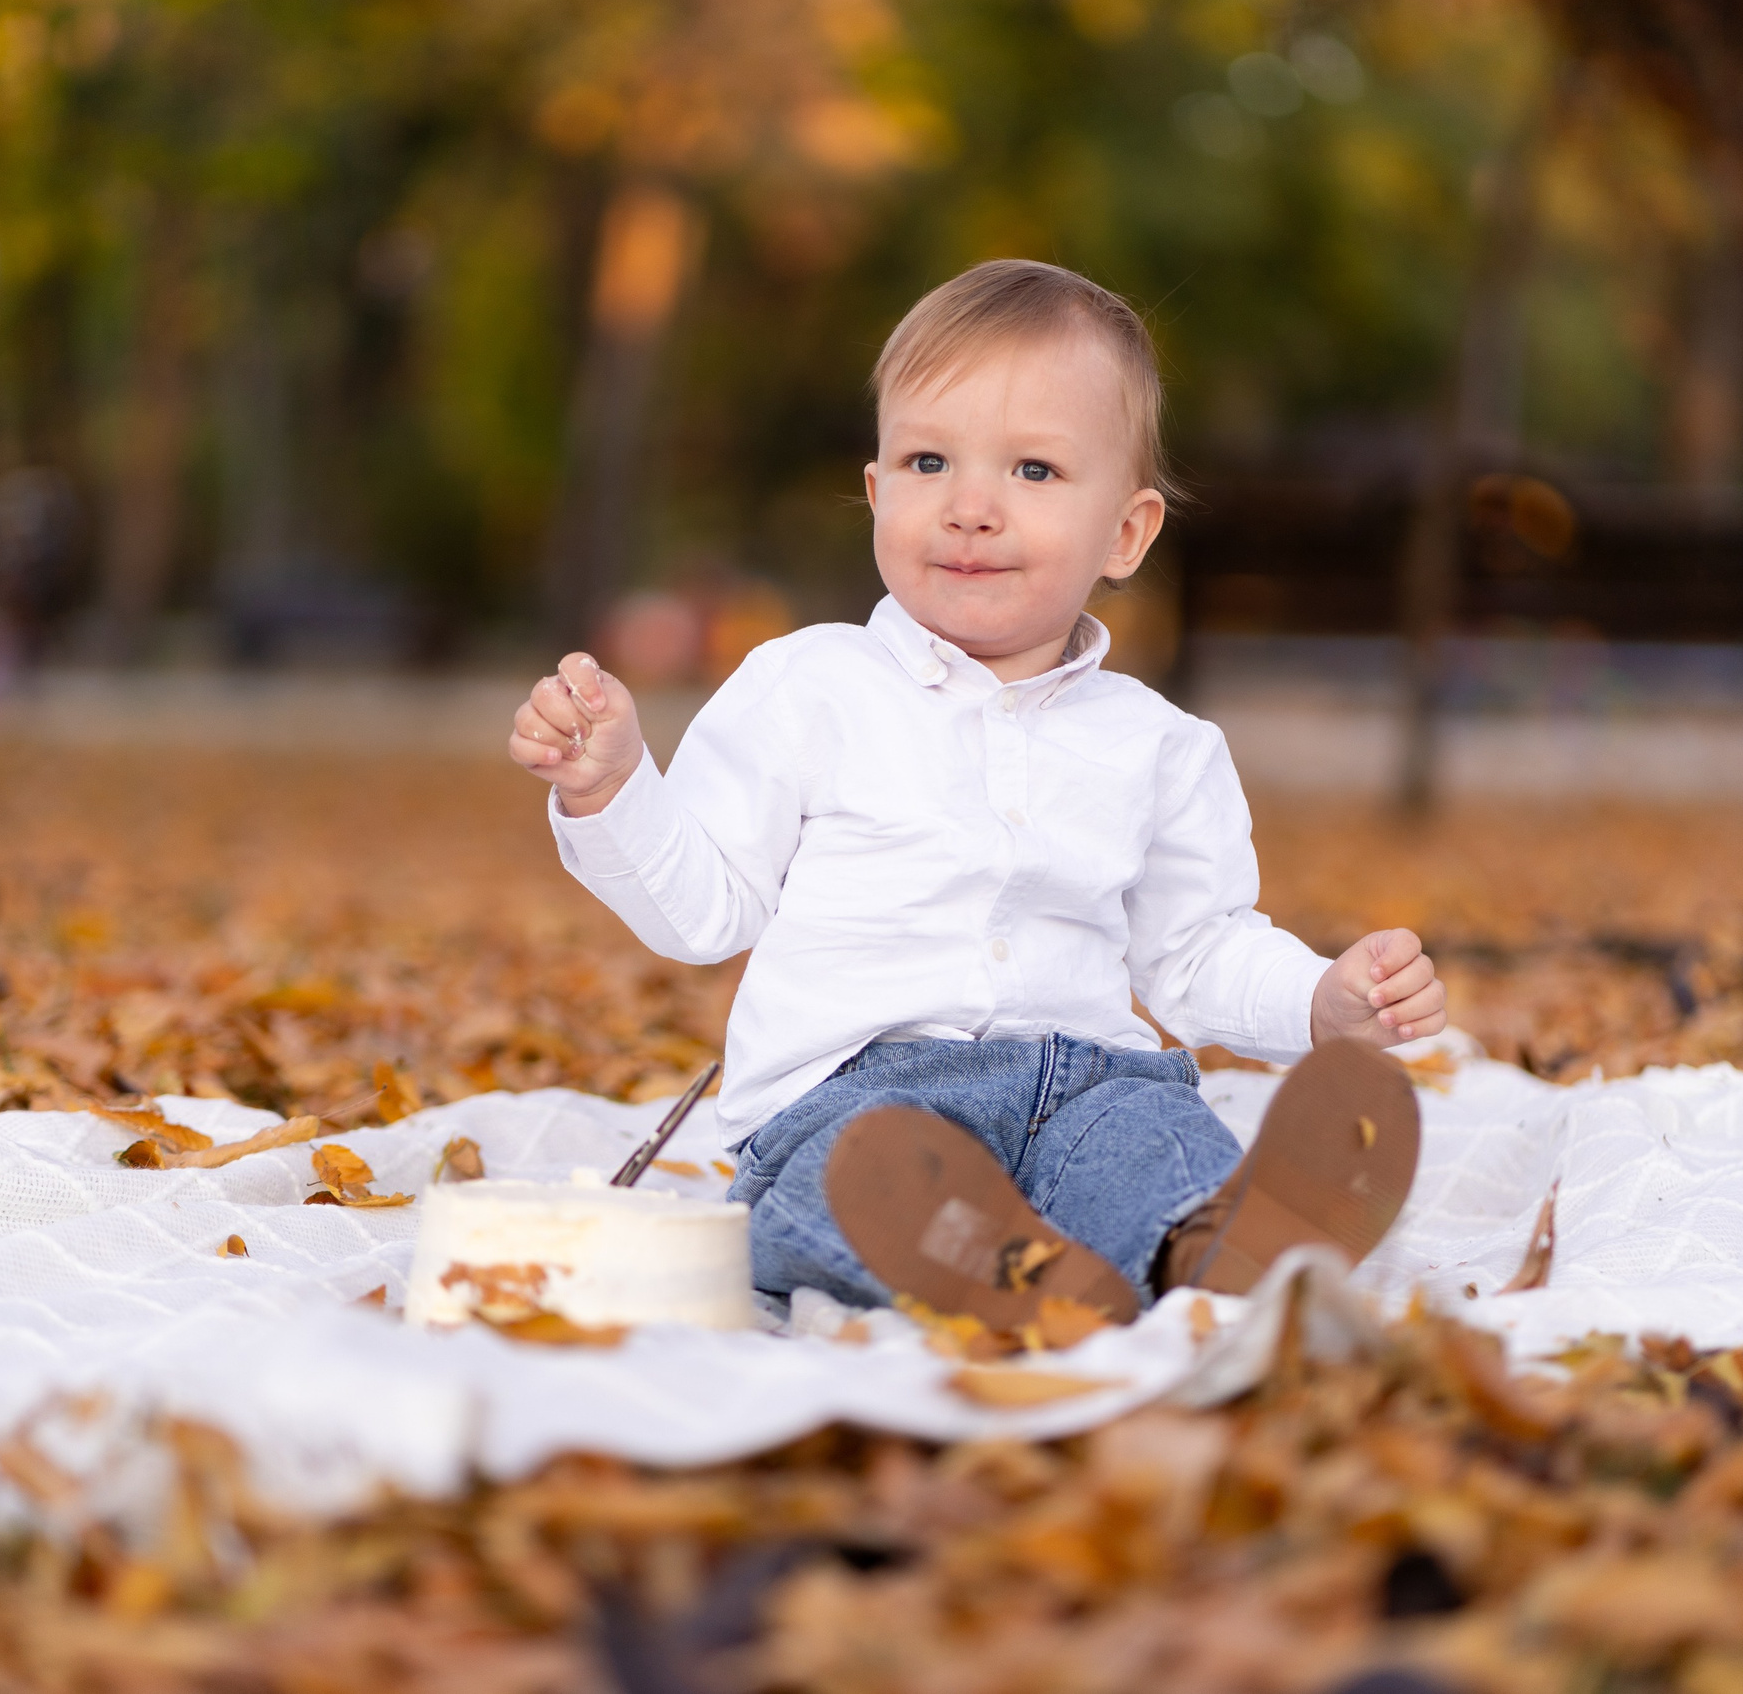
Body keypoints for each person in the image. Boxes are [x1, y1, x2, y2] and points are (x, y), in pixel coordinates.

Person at [509, 261, 1446, 1329]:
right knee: (841, 1187)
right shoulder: (808, 685)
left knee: (1152, 1145)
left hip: (1087, 1084)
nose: (968, 508)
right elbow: (704, 910)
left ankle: (1208, 1244)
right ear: (877, 491)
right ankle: (995, 1266)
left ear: (1127, 533)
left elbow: (1193, 951)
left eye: (1034, 470)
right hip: (862, 1098)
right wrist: (613, 788)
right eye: (927, 460)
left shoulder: (1160, 745)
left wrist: (1319, 1001)